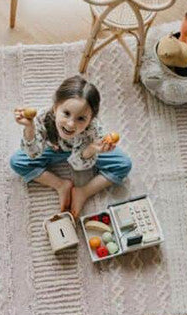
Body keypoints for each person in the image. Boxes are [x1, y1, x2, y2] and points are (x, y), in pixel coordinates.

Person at [10, 75, 132, 218]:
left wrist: (92, 149)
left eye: (81, 119)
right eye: (66, 114)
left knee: (124, 164)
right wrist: (29, 128)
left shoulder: (94, 131)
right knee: (17, 161)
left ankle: (83, 192)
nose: (70, 124)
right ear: (55, 108)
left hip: (84, 151)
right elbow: (33, 153)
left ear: (91, 119)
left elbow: (78, 165)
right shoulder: (43, 118)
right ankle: (61, 185)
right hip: (53, 149)